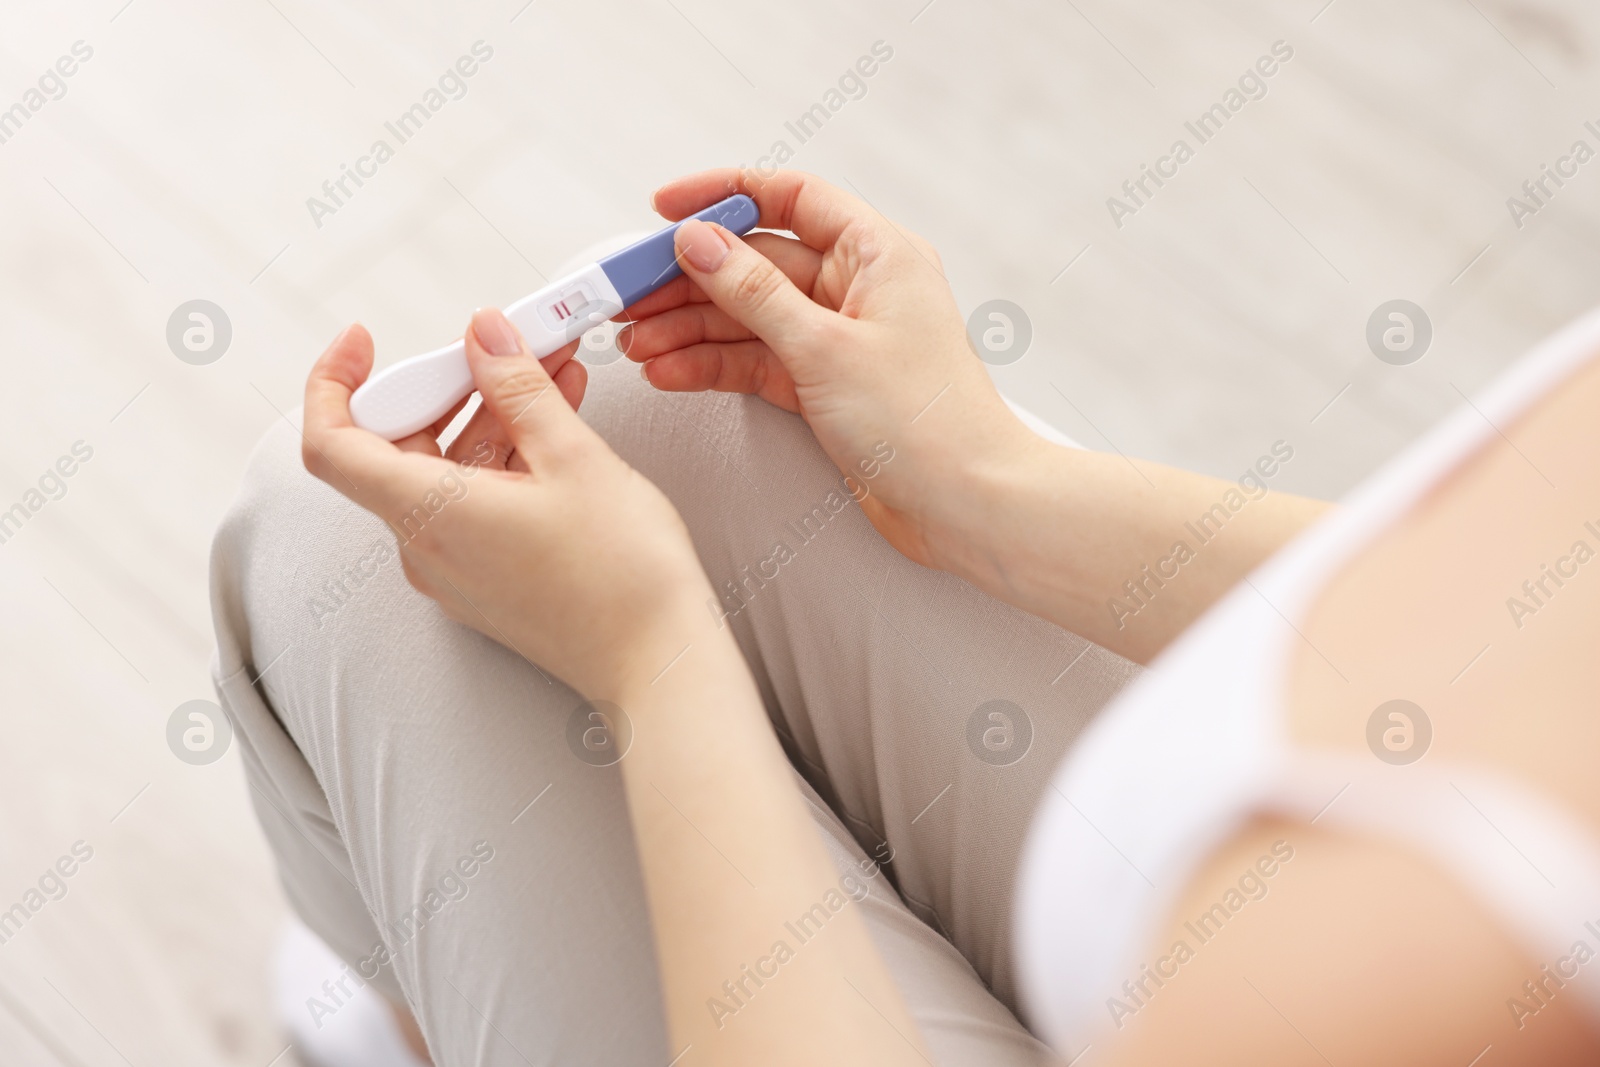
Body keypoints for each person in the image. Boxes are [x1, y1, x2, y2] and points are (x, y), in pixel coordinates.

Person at [211, 168, 1600, 1066]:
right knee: (655, 419)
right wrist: (989, 486)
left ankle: (433, 1013)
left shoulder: (1458, 966)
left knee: (328, 540)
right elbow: (1505, 607)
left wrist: (656, 659)